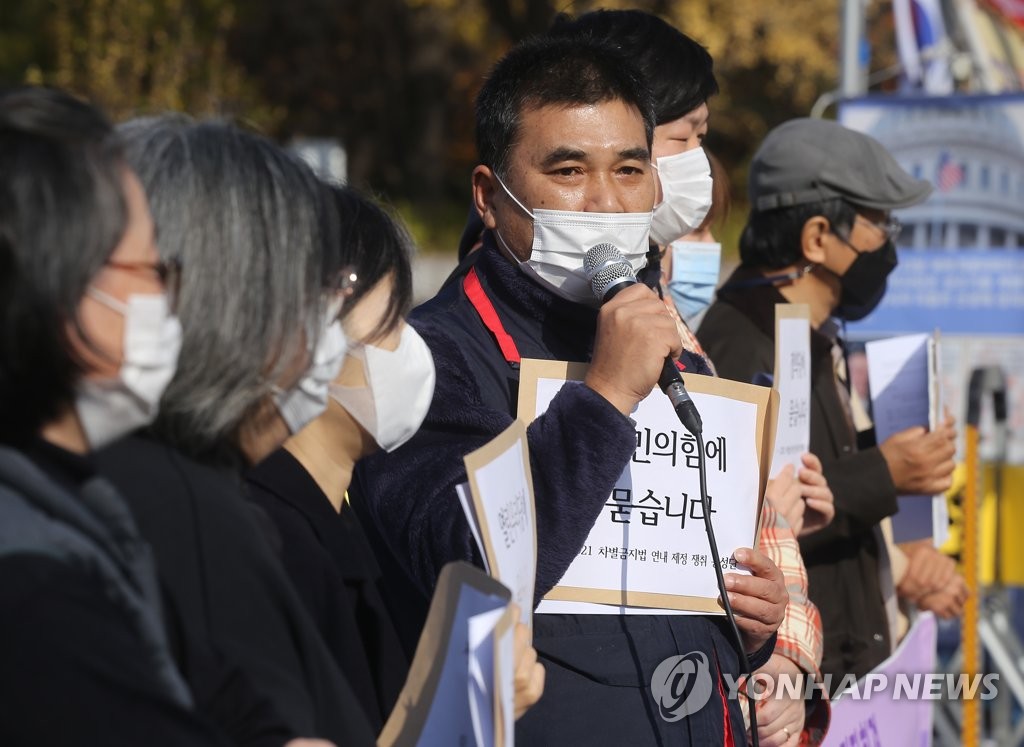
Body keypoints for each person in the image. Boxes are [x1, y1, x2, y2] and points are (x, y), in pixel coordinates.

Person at [355, 34, 787, 745]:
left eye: (628, 169)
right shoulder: (429, 360)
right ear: (490, 198)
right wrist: (605, 398)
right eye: (567, 169)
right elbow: (462, 567)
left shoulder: (670, 348)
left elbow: (685, 585)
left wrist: (751, 623)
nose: (605, 203)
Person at [550, 12, 835, 744]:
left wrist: (782, 651)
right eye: (686, 137)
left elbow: (751, 537)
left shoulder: (675, 328)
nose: (700, 166)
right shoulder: (526, 331)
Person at [93, 116, 373, 746]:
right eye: (317, 291)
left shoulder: (111, 476)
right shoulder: (190, 518)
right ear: (235, 302)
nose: (329, 333)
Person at [247, 185, 545, 728]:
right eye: (388, 325)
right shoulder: (267, 542)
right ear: (302, 338)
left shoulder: (326, 515)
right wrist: (466, 710)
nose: (409, 348)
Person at [698, 118, 963, 682]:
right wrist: (884, 474)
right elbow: (747, 524)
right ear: (818, 237)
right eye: (879, 223)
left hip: (847, 667)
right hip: (793, 683)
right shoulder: (739, 347)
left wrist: (906, 561)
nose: (887, 242)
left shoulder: (811, 334)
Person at [0, 86, 225, 745]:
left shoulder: (68, 491)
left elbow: (213, 689)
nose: (165, 295)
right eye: (149, 268)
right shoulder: (37, 596)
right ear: (63, 282)